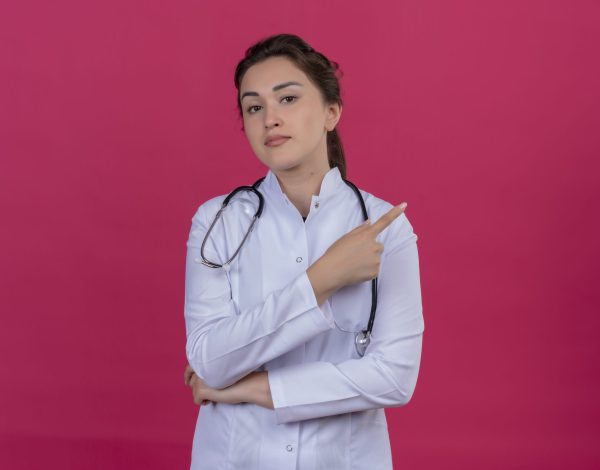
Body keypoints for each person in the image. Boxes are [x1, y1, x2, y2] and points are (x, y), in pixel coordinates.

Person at [182, 33, 424, 470]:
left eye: (288, 99)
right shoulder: (217, 221)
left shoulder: (384, 228)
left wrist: (243, 387)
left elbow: (394, 379)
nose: (270, 118)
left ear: (332, 112)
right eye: (254, 107)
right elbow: (209, 361)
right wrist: (321, 280)